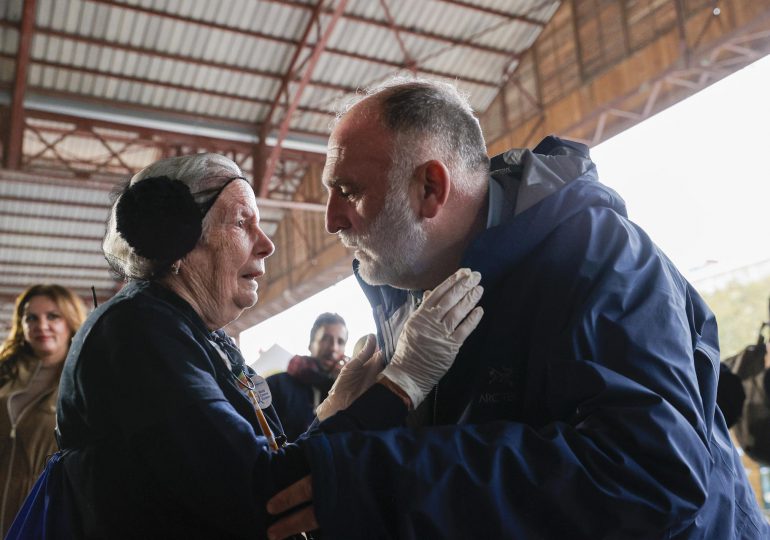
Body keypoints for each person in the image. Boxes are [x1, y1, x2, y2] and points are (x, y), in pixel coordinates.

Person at [265, 78, 770, 539]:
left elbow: (650, 478)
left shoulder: (601, 259)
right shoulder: (402, 288)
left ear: (430, 189)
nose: (331, 220)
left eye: (349, 191)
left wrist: (384, 478)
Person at [47, 152, 482, 539]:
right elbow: (267, 495)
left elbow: (264, 464)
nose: (267, 243)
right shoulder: (138, 334)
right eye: (242, 222)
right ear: (174, 236)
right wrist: (401, 384)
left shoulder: (198, 334)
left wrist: (336, 413)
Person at [0, 284, 86, 536]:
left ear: (70, 321)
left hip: (40, 507)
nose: (41, 325)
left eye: (53, 316)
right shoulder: (5, 375)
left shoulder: (83, 380)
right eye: (31, 318)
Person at [267, 313, 349, 442]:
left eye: (340, 341)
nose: (333, 347)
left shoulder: (347, 392)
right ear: (311, 344)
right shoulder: (276, 385)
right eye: (326, 339)